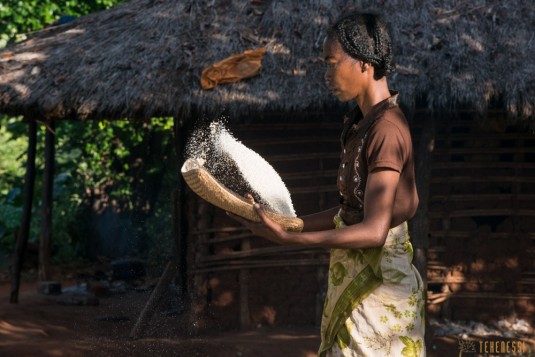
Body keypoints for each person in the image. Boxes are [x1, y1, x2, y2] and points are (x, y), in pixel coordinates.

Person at [229, 11, 425, 357]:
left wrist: (291, 239)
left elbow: (374, 231)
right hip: (360, 289)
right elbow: (353, 210)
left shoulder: (386, 130)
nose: (327, 74)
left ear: (364, 64)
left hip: (380, 295)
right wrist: (292, 223)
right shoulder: (361, 123)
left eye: (332, 63)